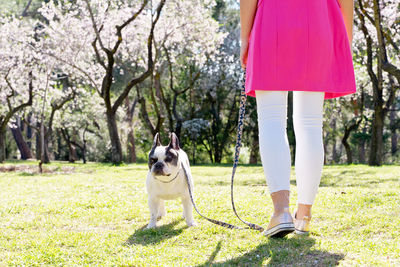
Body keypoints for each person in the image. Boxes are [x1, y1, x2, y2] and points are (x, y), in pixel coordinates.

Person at [240, 0, 356, 237]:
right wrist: (346, 38)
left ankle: (281, 211)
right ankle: (303, 216)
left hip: (272, 21)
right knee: (311, 123)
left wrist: (244, 38)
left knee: (272, 119)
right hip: (321, 21)